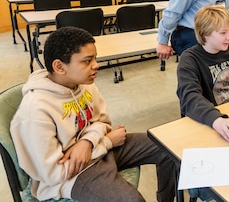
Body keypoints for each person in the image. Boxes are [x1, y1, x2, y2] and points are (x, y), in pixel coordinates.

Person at [10, 27, 176, 202]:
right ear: (59, 67)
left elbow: (103, 122)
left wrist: (87, 142)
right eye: (87, 61)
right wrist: (107, 142)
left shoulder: (84, 84)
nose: (96, 65)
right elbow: (53, 173)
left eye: (95, 58)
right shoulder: (35, 111)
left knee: (167, 148)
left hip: (97, 150)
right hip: (72, 176)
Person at [177, 5, 229, 143]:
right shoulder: (190, 59)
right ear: (205, 33)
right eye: (223, 33)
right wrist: (216, 119)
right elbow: (189, 97)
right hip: (213, 120)